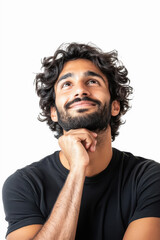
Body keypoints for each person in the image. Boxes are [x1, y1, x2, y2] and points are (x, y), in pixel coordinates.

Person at [2, 43, 160, 240]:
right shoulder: (25, 184)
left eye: (92, 82)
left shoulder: (149, 178)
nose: (80, 91)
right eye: (67, 85)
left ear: (115, 106)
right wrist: (78, 169)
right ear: (53, 112)